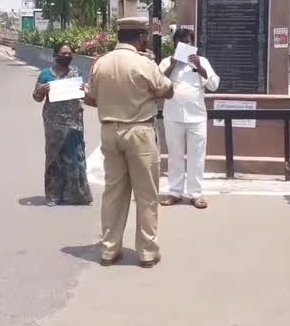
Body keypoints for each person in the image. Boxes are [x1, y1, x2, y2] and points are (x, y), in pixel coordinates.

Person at [84, 17, 174, 268]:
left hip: (110, 132)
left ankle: (109, 250)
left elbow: (90, 98)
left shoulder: (100, 63)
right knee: (146, 194)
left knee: (113, 193)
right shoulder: (144, 63)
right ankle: (147, 252)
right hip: (139, 132)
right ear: (141, 37)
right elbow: (167, 90)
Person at [159, 29, 220, 209]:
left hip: (197, 117)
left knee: (197, 156)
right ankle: (175, 192)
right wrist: (172, 65)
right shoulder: (166, 62)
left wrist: (200, 68)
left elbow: (214, 85)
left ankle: (195, 193)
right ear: (175, 45)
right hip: (173, 116)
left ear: (193, 45)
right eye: (181, 44)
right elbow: (158, 83)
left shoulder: (202, 62)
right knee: (175, 155)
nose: (185, 47)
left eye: (188, 43)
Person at [33, 43, 93, 206]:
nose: (67, 56)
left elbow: (84, 97)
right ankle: (53, 195)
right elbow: (37, 98)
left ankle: (76, 195)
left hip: (74, 121)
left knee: (75, 157)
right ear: (55, 55)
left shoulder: (76, 74)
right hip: (53, 122)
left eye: (69, 54)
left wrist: (84, 91)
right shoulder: (46, 75)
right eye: (63, 53)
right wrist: (40, 91)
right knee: (54, 157)